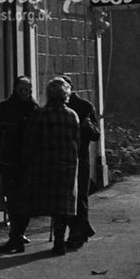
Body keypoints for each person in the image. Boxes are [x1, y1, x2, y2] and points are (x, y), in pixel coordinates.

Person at [22, 77, 81, 256]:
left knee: (50, 202)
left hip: (46, 163)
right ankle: (60, 240)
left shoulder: (40, 114)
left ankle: (22, 235)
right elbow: (77, 141)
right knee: (62, 206)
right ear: (65, 95)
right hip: (67, 164)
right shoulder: (72, 115)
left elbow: (31, 140)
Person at [0, 76, 38, 254]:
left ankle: (16, 236)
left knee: (23, 201)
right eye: (22, 90)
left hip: (26, 163)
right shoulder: (5, 108)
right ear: (15, 89)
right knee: (13, 200)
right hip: (9, 162)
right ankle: (16, 236)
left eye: (28, 90)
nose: (25, 93)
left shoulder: (33, 108)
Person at [61, 74, 101, 249]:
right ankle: (80, 230)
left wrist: (86, 125)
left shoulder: (84, 106)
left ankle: (78, 232)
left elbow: (96, 134)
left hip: (79, 157)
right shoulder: (58, 107)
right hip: (67, 158)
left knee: (79, 197)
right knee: (72, 198)